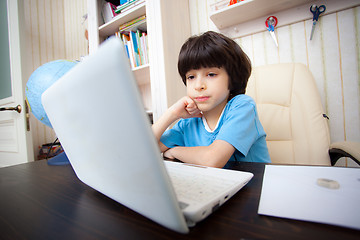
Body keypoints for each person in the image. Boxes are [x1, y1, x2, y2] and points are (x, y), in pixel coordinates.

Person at [152, 31, 271, 168]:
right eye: (191, 77)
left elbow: (212, 159)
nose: (198, 86)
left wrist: (175, 151)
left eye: (211, 74)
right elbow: (144, 150)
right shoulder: (188, 123)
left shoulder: (242, 106)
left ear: (232, 78)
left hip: (255, 187)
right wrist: (171, 113)